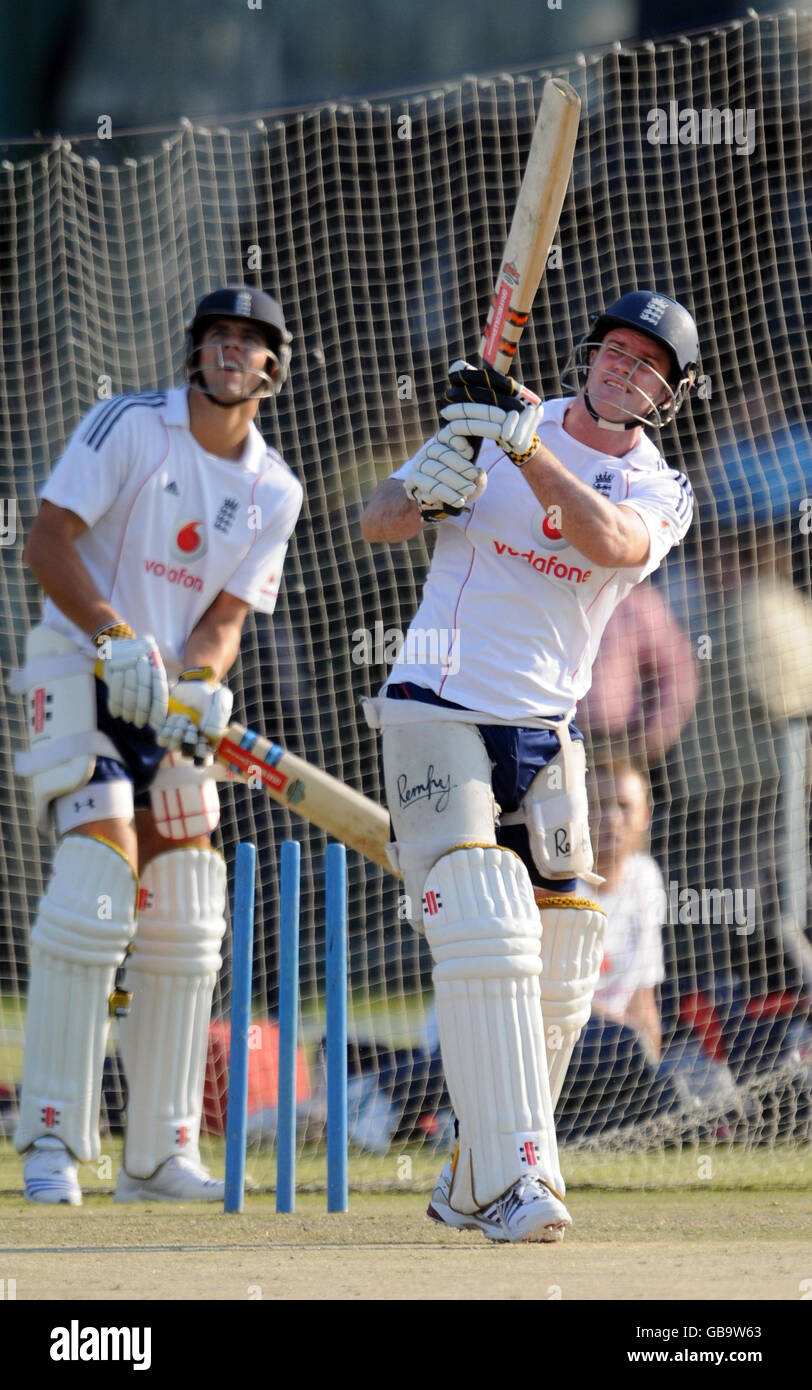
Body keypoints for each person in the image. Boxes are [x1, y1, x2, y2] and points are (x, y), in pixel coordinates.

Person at [360, 289, 698, 1242]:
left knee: (566, 951)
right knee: (484, 921)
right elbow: (377, 521)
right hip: (435, 700)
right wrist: (425, 482)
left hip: (545, 730)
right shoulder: (498, 421)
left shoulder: (657, 488)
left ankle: (472, 1175)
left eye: (648, 366)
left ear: (665, 395)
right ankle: (521, 1179)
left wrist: (520, 448)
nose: (623, 370)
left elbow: (608, 544)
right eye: (616, 351)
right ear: (589, 353)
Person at [12, 285, 303, 1204]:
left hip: (168, 705)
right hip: (77, 667)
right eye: (217, 336)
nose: (230, 351)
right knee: (98, 885)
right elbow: (46, 539)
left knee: (186, 908)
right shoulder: (128, 425)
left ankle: (157, 1153)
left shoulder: (276, 490)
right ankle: (53, 1139)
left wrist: (204, 686)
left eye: (248, 342)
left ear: (271, 368)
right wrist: (111, 638)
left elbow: (225, 615)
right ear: (196, 353)